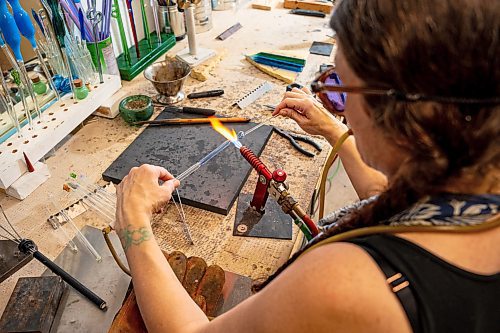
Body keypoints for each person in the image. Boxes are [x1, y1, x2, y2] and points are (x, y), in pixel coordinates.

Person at [114, 0, 500, 332]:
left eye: (340, 88)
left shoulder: (345, 282)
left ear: (407, 113)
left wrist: (133, 223)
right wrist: (331, 129)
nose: (339, 107)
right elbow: (386, 197)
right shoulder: (479, 179)